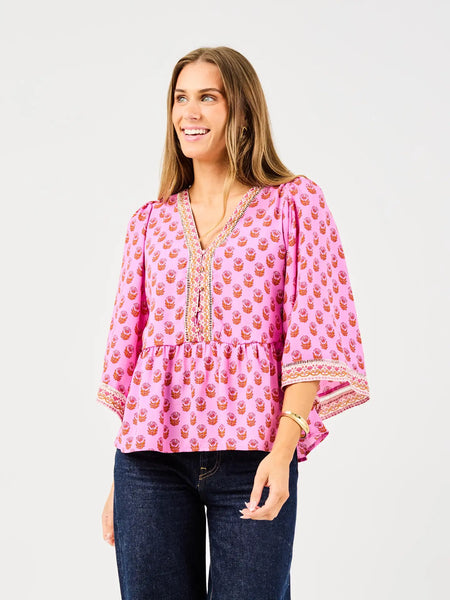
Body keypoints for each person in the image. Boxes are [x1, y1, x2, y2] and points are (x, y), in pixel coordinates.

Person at [97, 46, 370, 600]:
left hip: (254, 455)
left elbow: (311, 331)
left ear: (241, 109)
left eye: (207, 97)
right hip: (149, 466)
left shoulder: (293, 204)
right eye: (180, 98)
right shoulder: (150, 221)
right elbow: (132, 351)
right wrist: (116, 485)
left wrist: (283, 451)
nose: (189, 113)